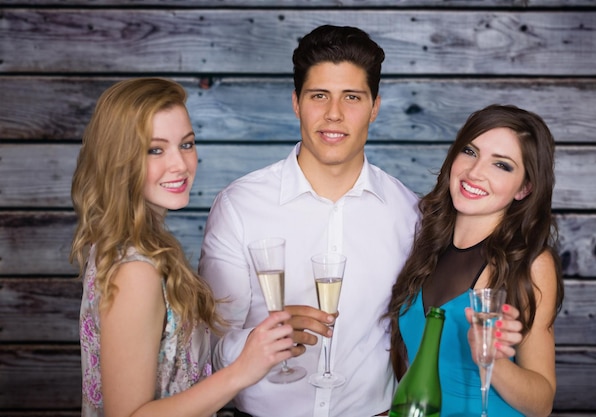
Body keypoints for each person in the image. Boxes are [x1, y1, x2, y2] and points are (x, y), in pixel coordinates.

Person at [198, 25, 420, 417]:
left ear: (375, 107)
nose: (334, 114)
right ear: (297, 103)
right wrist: (259, 342)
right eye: (319, 96)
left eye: (352, 97)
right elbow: (210, 348)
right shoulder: (239, 206)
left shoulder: (409, 213)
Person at [70, 77, 296, 417]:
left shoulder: (135, 246)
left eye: (186, 145)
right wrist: (242, 370)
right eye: (155, 149)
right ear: (119, 159)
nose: (180, 165)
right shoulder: (135, 270)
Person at [386, 104, 565, 417]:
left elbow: (541, 403)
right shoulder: (424, 241)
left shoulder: (532, 264)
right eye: (470, 151)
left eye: (502, 165)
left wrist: (492, 360)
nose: (475, 172)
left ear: (525, 188)